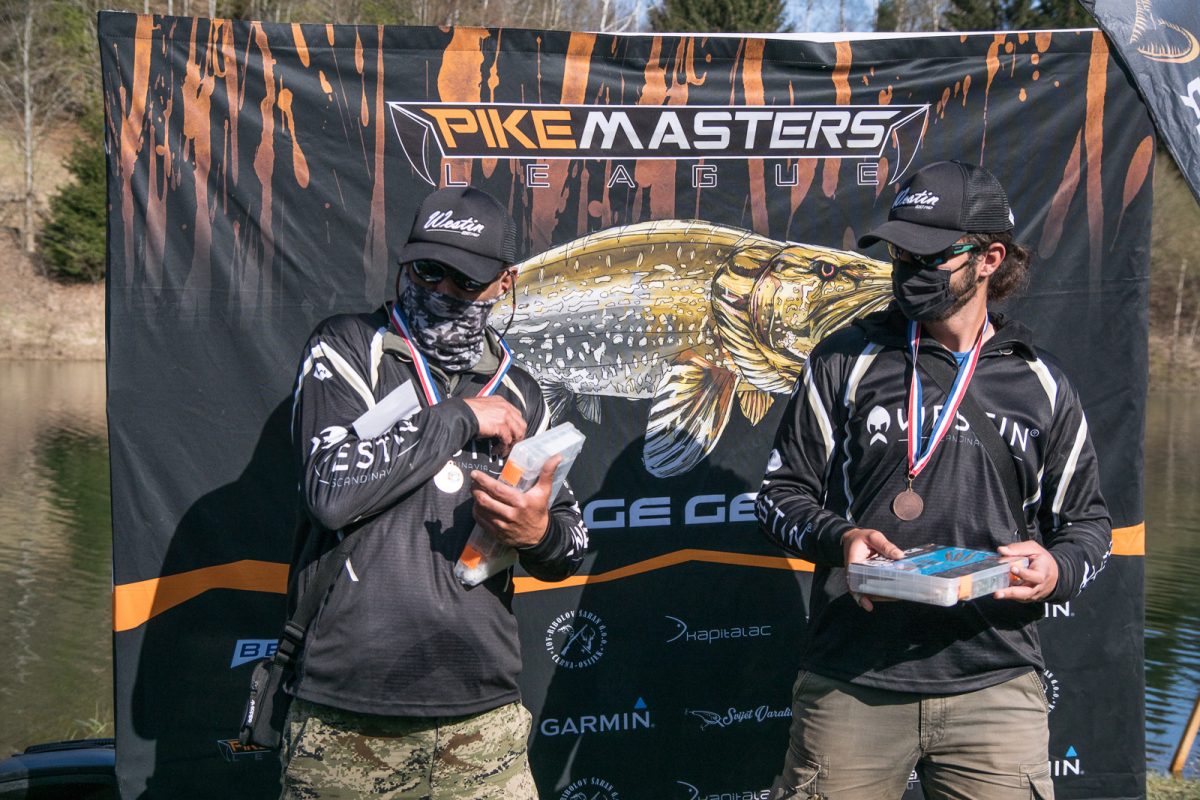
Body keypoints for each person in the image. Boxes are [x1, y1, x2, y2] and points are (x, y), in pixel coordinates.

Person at [755, 160, 1111, 800]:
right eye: (900, 253)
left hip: (994, 684)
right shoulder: (845, 359)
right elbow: (780, 496)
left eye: (929, 256)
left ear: (988, 259)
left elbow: (1088, 524)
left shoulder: (1041, 382)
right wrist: (843, 540)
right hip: (853, 681)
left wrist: (1057, 569)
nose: (908, 270)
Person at [281, 186, 588, 798]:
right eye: (428, 271)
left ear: (504, 283)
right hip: (348, 718)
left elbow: (571, 543)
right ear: (405, 262)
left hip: (484, 721)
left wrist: (538, 534)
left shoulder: (521, 390)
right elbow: (330, 490)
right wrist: (459, 417)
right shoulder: (347, 347)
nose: (443, 290)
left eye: (466, 281)